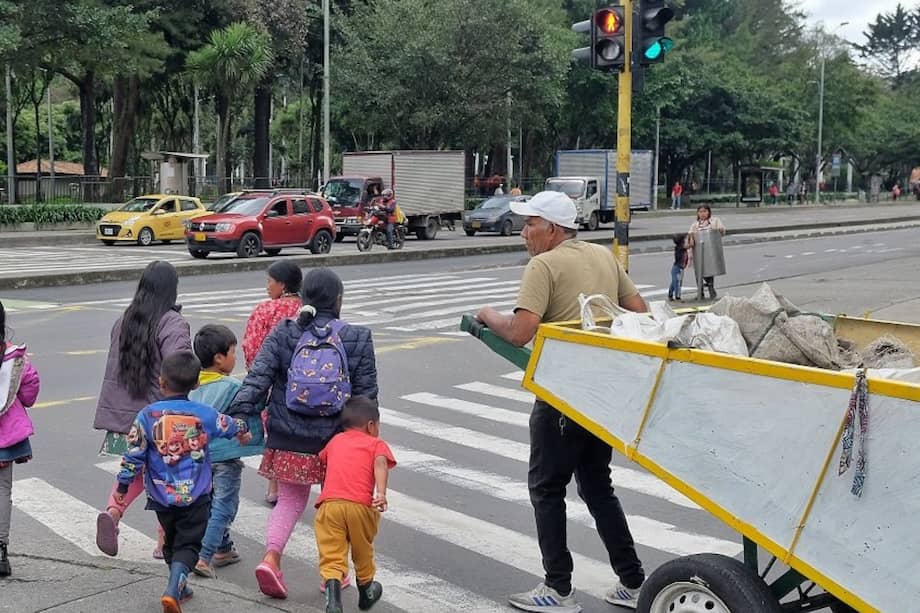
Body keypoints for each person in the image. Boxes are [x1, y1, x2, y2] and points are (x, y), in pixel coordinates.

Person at [476, 190, 647, 612]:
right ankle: (633, 581)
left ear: (552, 229)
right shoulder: (605, 257)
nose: (523, 233)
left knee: (547, 489)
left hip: (562, 394)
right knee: (596, 485)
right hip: (599, 393)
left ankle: (558, 588)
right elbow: (640, 311)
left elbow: (520, 332)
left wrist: (486, 315)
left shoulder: (544, 265)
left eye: (529, 224)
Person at [229, 267, 379, 600]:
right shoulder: (357, 337)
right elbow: (368, 398)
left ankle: (271, 558)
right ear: (339, 300)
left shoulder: (285, 332)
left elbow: (257, 380)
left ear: (304, 299)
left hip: (289, 437)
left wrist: (238, 416)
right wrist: (371, 446)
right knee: (336, 508)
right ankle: (336, 577)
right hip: (340, 444)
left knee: (289, 501)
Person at [112, 351, 250, 613]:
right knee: (189, 545)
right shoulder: (204, 414)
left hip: (161, 497)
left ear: (161, 382)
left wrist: (122, 486)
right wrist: (244, 429)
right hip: (196, 496)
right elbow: (230, 425)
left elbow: (133, 455)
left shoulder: (147, 416)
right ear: (196, 383)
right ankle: (174, 588)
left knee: (172, 542)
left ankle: (179, 584)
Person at [95, 261, 191, 559]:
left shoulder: (125, 319)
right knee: (170, 479)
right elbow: (180, 370)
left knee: (134, 471)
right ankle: (164, 542)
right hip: (161, 417)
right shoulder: (172, 323)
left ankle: (112, 511)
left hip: (129, 420)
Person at [190, 325, 265, 578]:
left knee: (210, 503)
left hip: (198, 458)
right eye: (233, 351)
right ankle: (204, 556)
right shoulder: (232, 386)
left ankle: (223, 549)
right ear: (219, 358)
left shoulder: (192, 387)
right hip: (225, 457)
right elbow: (253, 404)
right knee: (224, 506)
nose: (236, 357)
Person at [315, 395, 396, 613]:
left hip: (330, 505)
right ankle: (367, 591)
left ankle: (333, 601)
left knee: (332, 552)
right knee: (362, 550)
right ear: (371, 425)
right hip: (360, 505)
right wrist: (381, 492)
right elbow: (380, 463)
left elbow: (321, 461)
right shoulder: (375, 443)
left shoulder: (335, 441)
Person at [242, 262, 303, 505]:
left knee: (275, 432)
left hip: (273, 385)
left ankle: (274, 486)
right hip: (305, 383)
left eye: (270, 281)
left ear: (282, 284)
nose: (267, 286)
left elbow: (252, 349)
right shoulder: (307, 309)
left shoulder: (265, 311)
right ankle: (297, 481)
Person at [0, 301, 40, 578]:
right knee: (2, 491)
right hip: (4, 439)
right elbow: (29, 395)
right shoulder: (15, 360)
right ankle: (0, 552)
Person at [687, 205, 727, 301]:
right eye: (700, 212)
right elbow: (690, 234)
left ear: (709, 212)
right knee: (698, 272)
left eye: (705, 211)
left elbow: (722, 231)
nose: (703, 214)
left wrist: (719, 230)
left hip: (710, 249)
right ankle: (700, 293)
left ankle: (710, 288)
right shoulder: (695, 224)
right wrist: (691, 237)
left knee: (709, 270)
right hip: (698, 250)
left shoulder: (715, 221)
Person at [668, 233, 690, 302]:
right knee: (677, 283)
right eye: (684, 240)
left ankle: (670, 295)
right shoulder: (680, 248)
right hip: (677, 268)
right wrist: (691, 237)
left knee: (675, 282)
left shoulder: (679, 247)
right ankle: (678, 297)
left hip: (679, 268)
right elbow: (690, 245)